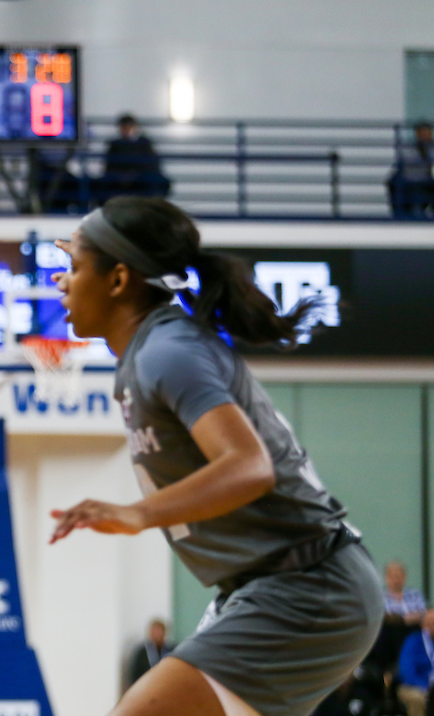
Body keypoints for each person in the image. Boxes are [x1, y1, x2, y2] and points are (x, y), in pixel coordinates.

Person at [48, 196, 384, 716]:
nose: (60, 281)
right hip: (266, 587)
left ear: (118, 280)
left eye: (73, 267)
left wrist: (136, 514)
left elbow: (249, 465)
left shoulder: (168, 352)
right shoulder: (148, 354)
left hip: (309, 583)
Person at [98, 114, 170, 202]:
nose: (126, 129)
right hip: (119, 178)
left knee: (158, 181)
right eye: (124, 127)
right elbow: (110, 165)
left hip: (141, 176)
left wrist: (135, 174)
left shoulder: (144, 143)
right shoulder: (115, 144)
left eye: (129, 126)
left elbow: (152, 163)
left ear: (135, 128)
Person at [389, 122, 434, 218]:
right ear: (417, 135)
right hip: (413, 182)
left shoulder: (432, 148)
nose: (425, 137)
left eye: (427, 134)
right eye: (422, 134)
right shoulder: (409, 149)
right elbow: (407, 162)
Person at [398, 610, 434, 716]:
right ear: (424, 625)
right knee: (418, 698)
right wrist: (426, 687)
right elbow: (407, 671)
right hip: (414, 685)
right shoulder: (413, 641)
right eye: (431, 623)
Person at [127, 618, 175, 689]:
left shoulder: (172, 651)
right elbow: (135, 675)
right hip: (147, 688)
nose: (157, 635)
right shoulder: (142, 653)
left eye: (159, 631)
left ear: (164, 633)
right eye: (154, 632)